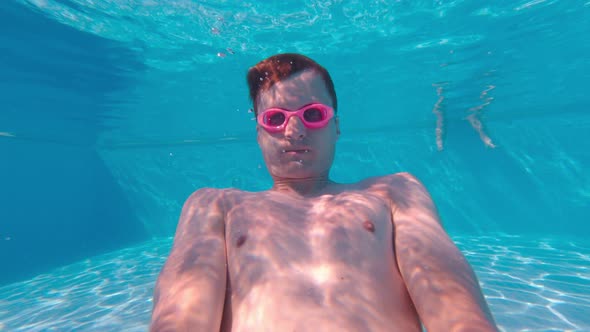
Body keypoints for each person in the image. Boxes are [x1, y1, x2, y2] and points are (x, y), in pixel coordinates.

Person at [149, 53, 498, 332]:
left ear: (336, 126)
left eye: (313, 114)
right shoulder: (214, 205)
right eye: (275, 119)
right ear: (258, 132)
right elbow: (182, 313)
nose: (294, 131)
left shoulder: (395, 193)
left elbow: (451, 299)